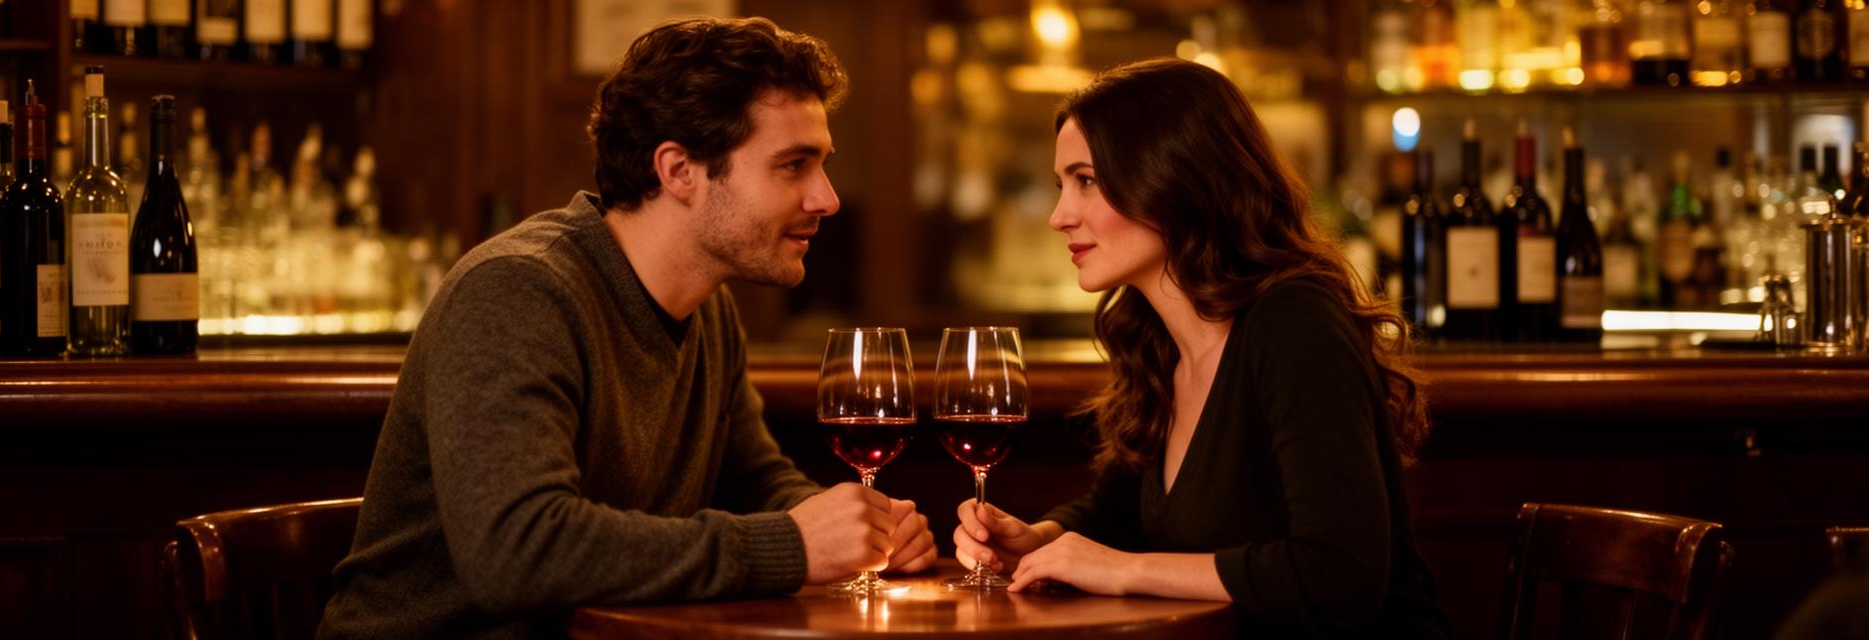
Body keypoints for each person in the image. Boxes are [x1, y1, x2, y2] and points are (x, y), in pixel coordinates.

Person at [318, 17, 936, 638]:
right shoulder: (517, 291)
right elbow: (518, 552)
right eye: (794, 165)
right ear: (678, 170)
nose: (826, 197)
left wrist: (858, 528)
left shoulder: (709, 308)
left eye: (821, 164)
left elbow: (750, 479)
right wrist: (793, 545)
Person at [952, 58, 1451, 637]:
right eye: (1062, 185)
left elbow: (1338, 575)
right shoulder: (1160, 341)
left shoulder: (1295, 324)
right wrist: (1038, 540)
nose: (1059, 216)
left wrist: (1123, 571)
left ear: (1174, 179)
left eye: (1086, 180)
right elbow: (1118, 510)